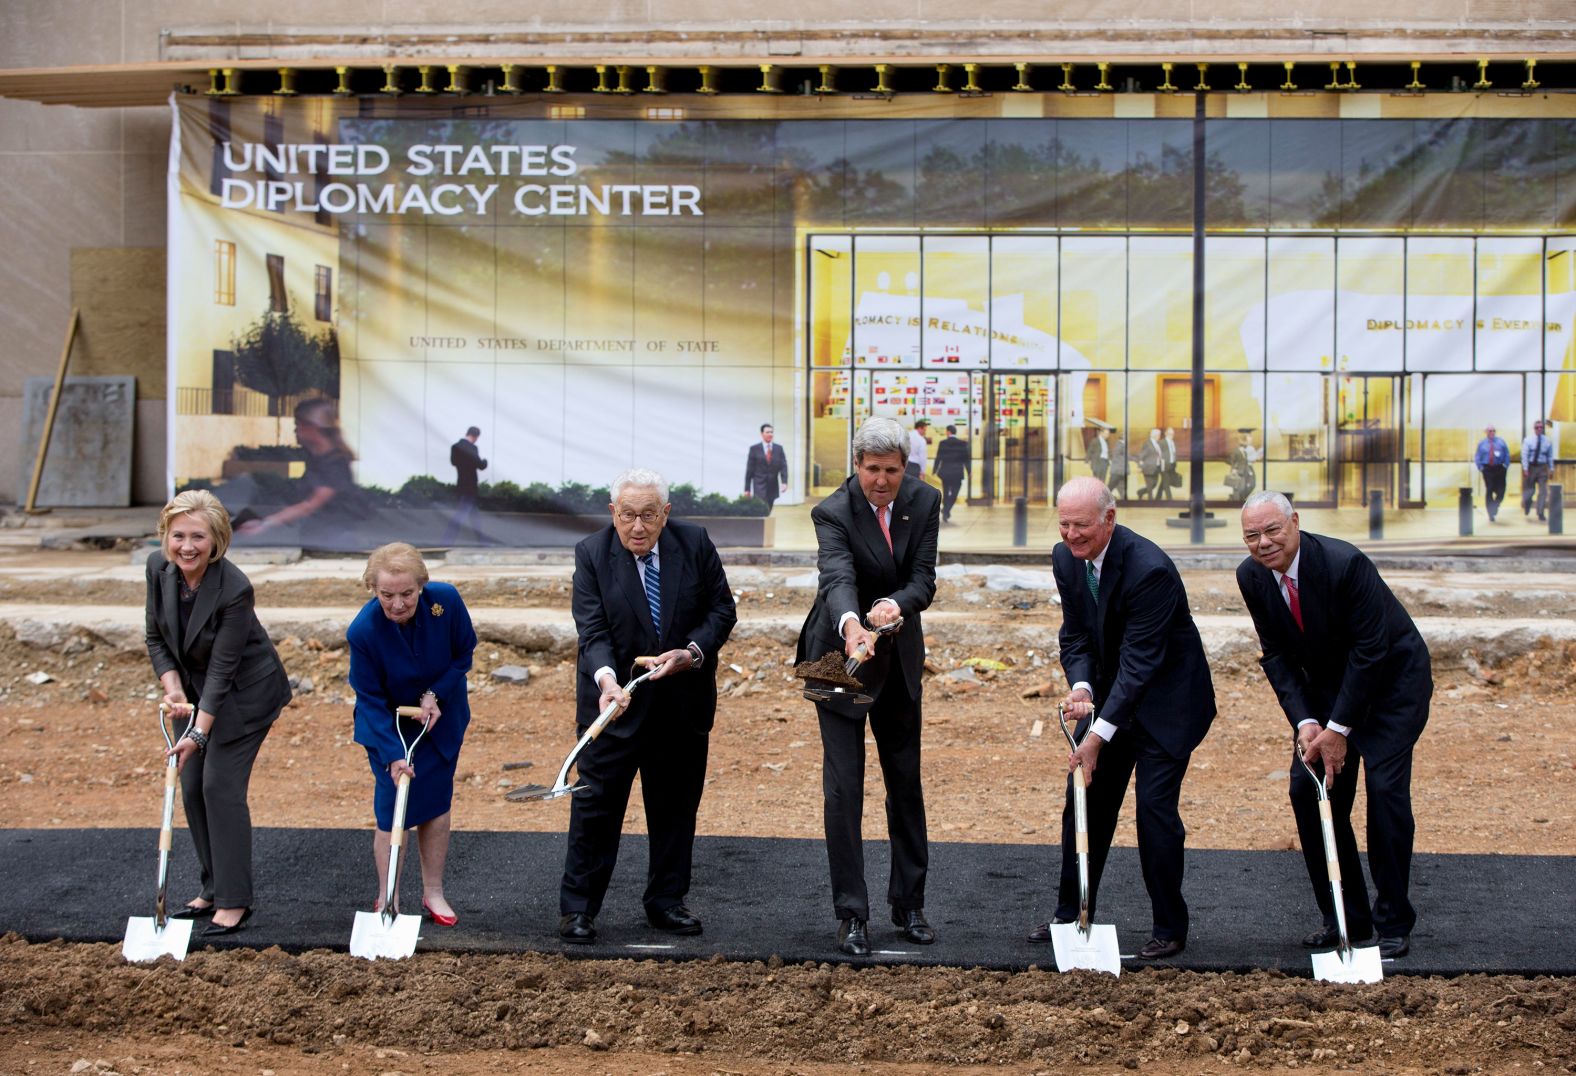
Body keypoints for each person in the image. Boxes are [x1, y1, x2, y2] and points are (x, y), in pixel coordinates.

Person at [1027, 477, 1216, 959]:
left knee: (1154, 813)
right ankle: (1070, 914)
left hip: (1167, 705)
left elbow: (1141, 661)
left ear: (1109, 519)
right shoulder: (1065, 558)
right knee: (1086, 803)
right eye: (1064, 523)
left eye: (1082, 525)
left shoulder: (1150, 568)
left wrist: (1096, 736)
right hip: (1113, 698)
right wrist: (1083, 687)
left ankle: (1170, 927)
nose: (1071, 535)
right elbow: (1076, 635)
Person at [1236, 491, 1429, 959]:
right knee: (1309, 792)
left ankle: (1392, 923)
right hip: (1324, 694)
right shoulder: (1252, 577)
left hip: (1389, 686)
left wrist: (1339, 730)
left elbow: (1369, 653)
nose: (1263, 543)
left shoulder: (1345, 564)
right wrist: (1306, 722)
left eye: (1272, 531)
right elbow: (1277, 655)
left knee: (1384, 796)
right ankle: (1344, 916)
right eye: (1252, 536)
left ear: (1295, 523)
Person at [558, 469, 737, 944]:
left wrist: (692, 652)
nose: (638, 527)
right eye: (629, 516)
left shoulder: (694, 544)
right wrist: (607, 680)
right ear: (613, 514)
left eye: (649, 516)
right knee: (595, 809)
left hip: (680, 705)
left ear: (666, 514)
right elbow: (591, 631)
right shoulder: (592, 554)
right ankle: (579, 909)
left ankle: (666, 902)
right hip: (613, 706)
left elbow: (722, 610)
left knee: (675, 810)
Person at [795, 416, 941, 957]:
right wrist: (854, 622)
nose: (882, 480)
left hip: (898, 654)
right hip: (837, 657)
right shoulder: (831, 511)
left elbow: (923, 577)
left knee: (905, 782)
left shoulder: (924, 503)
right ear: (856, 467)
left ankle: (910, 905)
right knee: (844, 787)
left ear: (907, 468)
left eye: (892, 470)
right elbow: (837, 576)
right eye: (872, 470)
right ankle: (852, 914)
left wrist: (896, 605)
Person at [144, 489, 291, 936]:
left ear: (217, 541)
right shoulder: (158, 568)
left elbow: (224, 671)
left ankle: (234, 901)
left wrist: (198, 733)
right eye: (178, 535)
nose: (187, 546)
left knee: (219, 786)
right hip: (192, 693)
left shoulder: (234, 589)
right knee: (191, 787)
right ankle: (212, 886)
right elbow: (155, 637)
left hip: (245, 694)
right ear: (166, 536)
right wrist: (172, 690)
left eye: (199, 538)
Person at [347, 543, 477, 926]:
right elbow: (369, 698)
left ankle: (433, 892)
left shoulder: (446, 602)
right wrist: (392, 754)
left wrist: (435, 694)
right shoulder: (363, 631)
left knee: (436, 806)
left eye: (407, 593)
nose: (398, 604)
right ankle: (388, 897)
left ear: (421, 585)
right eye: (387, 595)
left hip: (440, 719)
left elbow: (463, 655)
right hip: (388, 726)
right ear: (373, 589)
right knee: (392, 811)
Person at [237, 398, 360, 543]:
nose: (295, 430)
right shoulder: (315, 458)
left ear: (313, 426)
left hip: (333, 539)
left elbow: (309, 505)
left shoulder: (335, 464)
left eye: (298, 425)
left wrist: (265, 524)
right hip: (315, 534)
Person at [441, 426, 489, 545]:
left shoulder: (456, 447)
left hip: (461, 484)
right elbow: (480, 465)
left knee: (474, 517)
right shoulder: (472, 448)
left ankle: (482, 541)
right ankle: (447, 541)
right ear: (476, 436)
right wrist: (485, 461)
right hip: (470, 486)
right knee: (461, 516)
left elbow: (453, 462)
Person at [743, 423, 789, 509]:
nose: (770, 434)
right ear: (762, 434)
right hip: (759, 485)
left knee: (769, 507)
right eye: (767, 432)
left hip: (773, 485)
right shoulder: (754, 449)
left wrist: (784, 482)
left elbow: (783, 466)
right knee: (760, 507)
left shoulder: (778, 449)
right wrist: (747, 489)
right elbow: (749, 470)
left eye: (771, 432)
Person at [932, 424, 970, 523]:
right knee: (954, 493)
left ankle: (945, 510)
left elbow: (938, 457)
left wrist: (935, 470)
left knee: (946, 491)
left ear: (948, 432)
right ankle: (946, 510)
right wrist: (969, 471)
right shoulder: (963, 443)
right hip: (957, 472)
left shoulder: (943, 443)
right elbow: (966, 459)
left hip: (946, 472)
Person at [1473, 424, 1510, 522]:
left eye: (1494, 430)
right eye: (1490, 431)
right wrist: (1480, 467)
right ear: (1486, 432)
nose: (1492, 432)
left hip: (1499, 468)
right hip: (1487, 469)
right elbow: (1477, 456)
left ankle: (1495, 505)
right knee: (1489, 489)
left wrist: (1505, 465)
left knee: (1501, 490)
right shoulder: (1482, 444)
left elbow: (1507, 454)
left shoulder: (1501, 442)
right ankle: (1490, 513)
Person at [1522, 419, 1554, 522]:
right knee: (1530, 491)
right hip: (1531, 467)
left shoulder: (1547, 441)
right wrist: (1525, 468)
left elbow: (1550, 456)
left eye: (1541, 427)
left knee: (1543, 491)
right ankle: (1527, 504)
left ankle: (1540, 512)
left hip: (1542, 468)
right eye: (1537, 427)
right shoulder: (1528, 440)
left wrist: (1551, 468)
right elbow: (1525, 455)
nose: (1539, 429)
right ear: (1534, 429)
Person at [1226, 430, 1257, 503]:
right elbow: (1232, 460)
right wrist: (1233, 469)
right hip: (1239, 470)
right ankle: (1237, 500)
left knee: (1251, 484)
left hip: (1246, 469)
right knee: (1239, 486)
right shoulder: (1237, 451)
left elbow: (1248, 461)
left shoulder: (1248, 450)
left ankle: (1239, 498)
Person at [1137, 428, 1164, 499]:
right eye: (1159, 435)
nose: (1160, 437)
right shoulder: (1147, 444)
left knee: (1154, 484)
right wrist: (1140, 467)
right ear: (1155, 435)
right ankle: (1150, 501)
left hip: (1156, 467)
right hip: (1148, 468)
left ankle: (1140, 492)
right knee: (1149, 485)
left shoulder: (1158, 444)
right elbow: (1141, 456)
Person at [1108, 428, 1129, 499]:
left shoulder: (1122, 445)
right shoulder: (1119, 445)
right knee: (1111, 485)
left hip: (1120, 470)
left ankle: (1124, 498)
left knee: (1121, 485)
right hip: (1118, 470)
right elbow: (1116, 456)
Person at [1161, 426, 1181, 499]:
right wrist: (1162, 466)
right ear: (1166, 433)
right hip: (1165, 465)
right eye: (1170, 434)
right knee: (1166, 482)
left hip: (1172, 465)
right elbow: (1159, 454)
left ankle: (1157, 497)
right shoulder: (1162, 442)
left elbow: (1174, 453)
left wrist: (1175, 464)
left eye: (1172, 434)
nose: (1171, 436)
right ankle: (1170, 499)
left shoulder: (1173, 442)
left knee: (1164, 482)